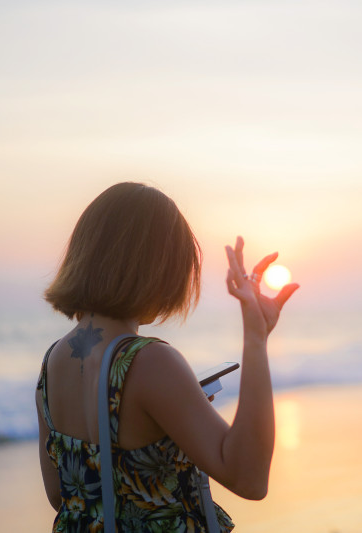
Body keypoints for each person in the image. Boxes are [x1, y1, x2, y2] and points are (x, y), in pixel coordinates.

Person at [35, 182, 298, 532]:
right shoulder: (150, 363)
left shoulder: (52, 364)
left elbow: (63, 496)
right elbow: (249, 478)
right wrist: (256, 337)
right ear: (157, 269)